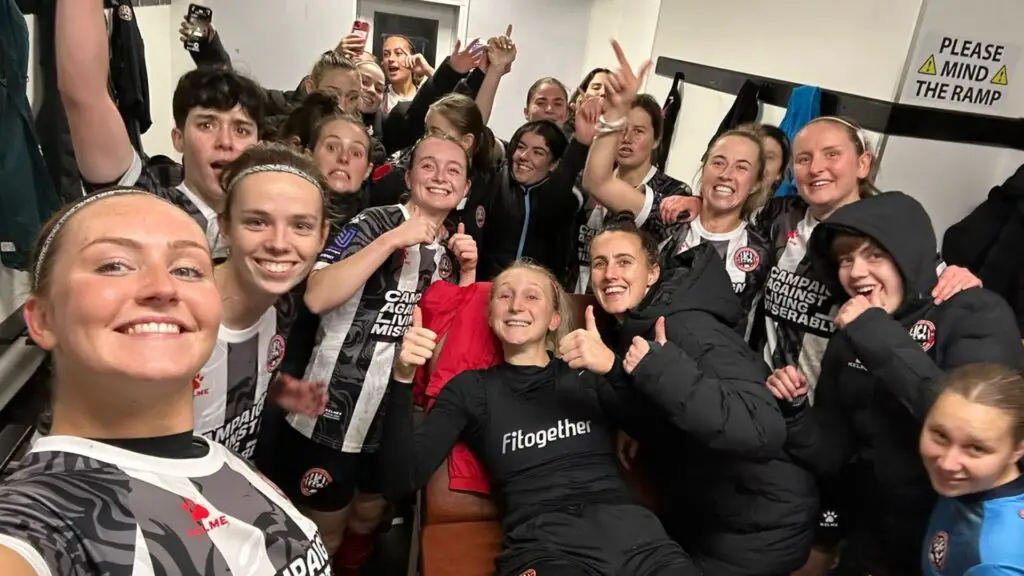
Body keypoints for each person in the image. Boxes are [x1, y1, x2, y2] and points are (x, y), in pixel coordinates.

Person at [0, 189, 331, 575]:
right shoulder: (40, 520)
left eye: (187, 269)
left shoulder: (215, 457)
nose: (163, 287)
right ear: (41, 319)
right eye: (114, 265)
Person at [747, 116, 982, 576]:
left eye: (832, 154)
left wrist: (963, 280)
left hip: (860, 438)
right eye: (804, 158)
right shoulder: (779, 218)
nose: (817, 167)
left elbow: (929, 288)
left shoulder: (895, 227)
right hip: (787, 411)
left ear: (863, 163)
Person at [383, 260, 700, 576]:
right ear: (491, 314)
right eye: (504, 296)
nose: (516, 306)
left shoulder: (589, 371)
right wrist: (402, 377)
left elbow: (663, 439)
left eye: (532, 297)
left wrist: (614, 369)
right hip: (546, 548)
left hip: (639, 541)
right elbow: (401, 478)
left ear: (554, 319)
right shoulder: (470, 388)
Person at [770, 192, 1023, 575]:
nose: (855, 272)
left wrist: (872, 330)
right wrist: (792, 412)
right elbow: (834, 449)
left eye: (875, 254)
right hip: (874, 533)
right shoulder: (853, 327)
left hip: (962, 532)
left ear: (908, 252)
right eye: (845, 259)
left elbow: (968, 424)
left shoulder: (974, 310)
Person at [260, 134, 478, 567]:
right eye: (429, 165)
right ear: (410, 174)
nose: (440, 177)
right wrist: (394, 239)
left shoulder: (452, 253)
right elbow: (317, 296)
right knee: (324, 530)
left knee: (368, 518)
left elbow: (448, 346)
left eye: (453, 170)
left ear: (466, 189)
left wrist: (469, 275)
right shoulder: (372, 222)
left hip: (393, 417)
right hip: (333, 411)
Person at [588, 216, 817, 575]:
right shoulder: (638, 328)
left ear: (652, 273)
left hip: (760, 525)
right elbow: (676, 422)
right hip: (712, 518)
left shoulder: (686, 323)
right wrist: (614, 376)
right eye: (599, 263)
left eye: (624, 261)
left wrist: (659, 371)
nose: (609, 273)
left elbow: (761, 428)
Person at [57, 0, 263, 258]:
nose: (226, 141)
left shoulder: (275, 227)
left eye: (242, 130)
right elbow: (83, 95)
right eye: (207, 124)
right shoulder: (148, 203)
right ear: (178, 139)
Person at [193, 142, 331, 460]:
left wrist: (278, 389)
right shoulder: (181, 317)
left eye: (301, 226)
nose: (279, 244)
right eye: (257, 222)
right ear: (225, 225)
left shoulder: (281, 307)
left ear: (322, 235)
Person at [576, 41, 699, 294]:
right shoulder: (586, 180)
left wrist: (616, 112)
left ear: (656, 140)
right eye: (621, 129)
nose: (626, 138)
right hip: (580, 301)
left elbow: (599, 183)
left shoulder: (673, 193)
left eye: (639, 131)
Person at [657, 127, 772, 337]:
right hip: (654, 358)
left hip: (721, 365)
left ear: (755, 183)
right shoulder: (669, 224)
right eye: (718, 162)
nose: (726, 175)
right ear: (703, 169)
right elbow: (599, 183)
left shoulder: (763, 248)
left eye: (741, 168)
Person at [920, 364, 1024, 576]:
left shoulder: (996, 562)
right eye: (940, 435)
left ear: (1018, 450)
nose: (947, 464)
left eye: (976, 448)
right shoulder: (971, 485)